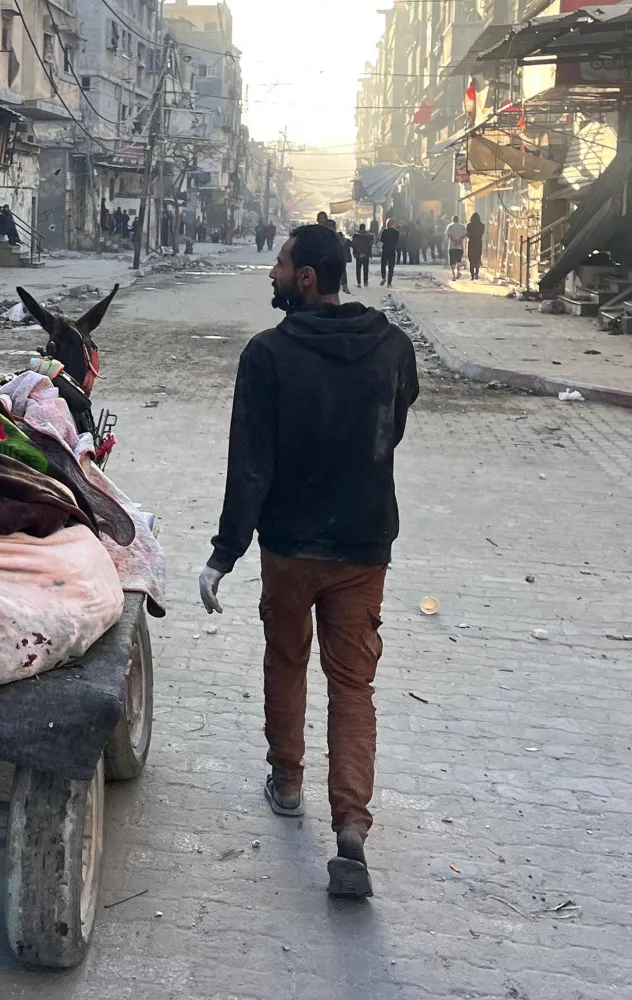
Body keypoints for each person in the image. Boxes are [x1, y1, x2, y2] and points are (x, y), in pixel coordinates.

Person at [199, 224, 419, 899]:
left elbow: (250, 465)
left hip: (291, 546)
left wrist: (223, 554)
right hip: (363, 545)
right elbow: (395, 426)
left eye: (280, 262)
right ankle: (350, 828)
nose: (271, 271)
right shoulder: (392, 348)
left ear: (306, 279)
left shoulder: (267, 356)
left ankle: (288, 781)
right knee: (354, 686)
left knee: (286, 658)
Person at [351, 222, 374, 288]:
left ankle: (359, 283)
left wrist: (357, 252)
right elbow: (370, 245)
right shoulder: (369, 236)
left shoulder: (355, 235)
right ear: (364, 228)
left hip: (358, 254)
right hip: (366, 254)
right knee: (366, 268)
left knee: (358, 269)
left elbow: (354, 244)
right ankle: (365, 282)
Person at [445, 214, 468, 281]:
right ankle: (458, 272)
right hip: (460, 247)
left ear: (452, 220)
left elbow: (449, 235)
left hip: (452, 246)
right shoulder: (462, 226)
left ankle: (454, 276)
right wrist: (459, 240)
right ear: (458, 220)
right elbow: (465, 235)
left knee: (452, 261)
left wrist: (455, 241)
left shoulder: (450, 226)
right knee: (459, 260)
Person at [378, 218, 400, 287]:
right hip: (392, 250)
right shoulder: (396, 232)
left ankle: (383, 278)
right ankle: (389, 282)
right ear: (393, 224)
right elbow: (397, 240)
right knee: (391, 267)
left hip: (385, 250)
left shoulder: (384, 231)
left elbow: (381, 240)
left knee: (383, 265)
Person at [466, 212, 486, 281]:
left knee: (471, 259)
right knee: (477, 258)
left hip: (471, 243)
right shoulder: (482, 226)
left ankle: (472, 276)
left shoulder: (469, 225)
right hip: (479, 243)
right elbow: (482, 233)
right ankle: (476, 274)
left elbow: (468, 234)